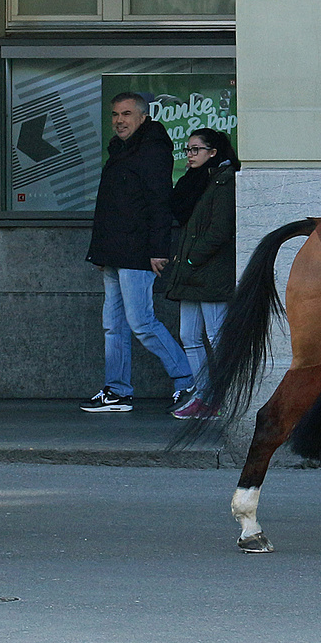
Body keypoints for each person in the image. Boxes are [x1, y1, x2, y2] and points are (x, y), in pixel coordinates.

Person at [82, 91, 195, 413]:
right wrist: (100, 253)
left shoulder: (152, 152)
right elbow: (114, 207)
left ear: (143, 117)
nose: (119, 120)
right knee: (113, 326)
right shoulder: (122, 149)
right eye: (116, 114)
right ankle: (117, 391)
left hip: (138, 253)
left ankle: (187, 381)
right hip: (115, 253)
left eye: (127, 114)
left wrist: (159, 250)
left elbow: (160, 204)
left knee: (142, 323)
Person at [164, 128, 238, 420]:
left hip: (210, 271)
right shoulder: (198, 182)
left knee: (216, 335)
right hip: (193, 271)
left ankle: (220, 396)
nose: (190, 155)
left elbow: (220, 230)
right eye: (188, 150)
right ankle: (204, 394)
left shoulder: (224, 180)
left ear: (213, 152)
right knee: (189, 336)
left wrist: (193, 258)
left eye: (196, 149)